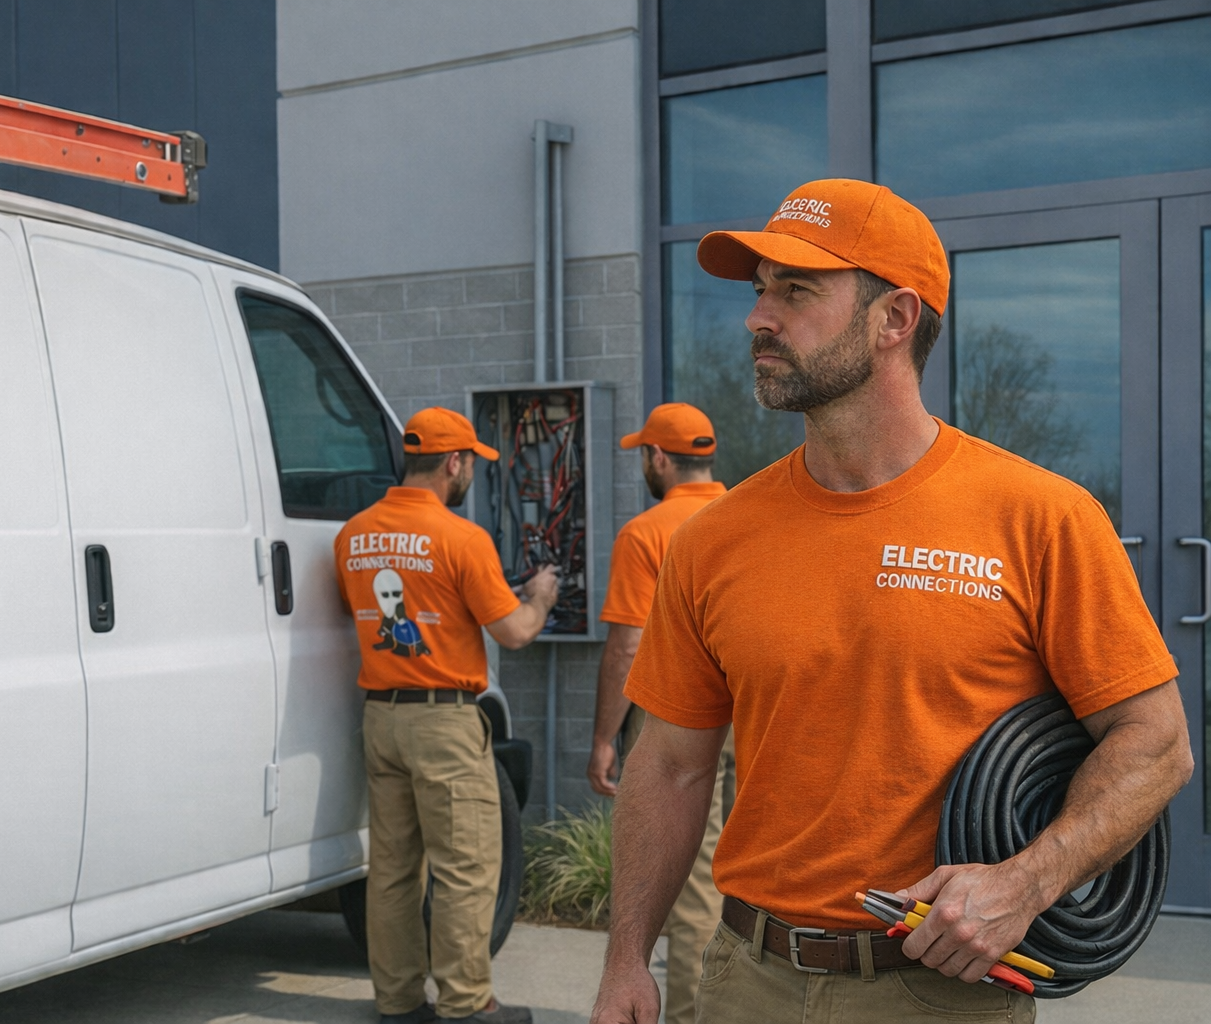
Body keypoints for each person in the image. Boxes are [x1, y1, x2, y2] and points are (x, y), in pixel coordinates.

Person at [588, 178, 1194, 1024]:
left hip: (938, 992)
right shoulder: (712, 539)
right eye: (760, 290)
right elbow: (670, 765)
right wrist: (626, 959)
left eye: (797, 291)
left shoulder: (1039, 517)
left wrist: (1024, 884)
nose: (759, 317)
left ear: (895, 318)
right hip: (746, 980)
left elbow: (1156, 744)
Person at [336, 406, 560, 1024]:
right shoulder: (462, 538)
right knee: (465, 867)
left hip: (380, 718)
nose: (470, 476)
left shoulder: (353, 535)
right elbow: (513, 631)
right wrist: (540, 597)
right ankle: (466, 1005)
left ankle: (399, 1002)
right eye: (470, 465)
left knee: (391, 870)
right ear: (454, 463)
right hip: (444, 723)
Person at [585, 402, 733, 1024]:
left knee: (693, 879)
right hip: (755, 712)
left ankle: (691, 1015)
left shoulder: (645, 533)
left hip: (680, 717)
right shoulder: (749, 514)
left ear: (657, 457)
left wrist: (603, 738)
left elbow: (627, 645)